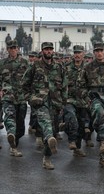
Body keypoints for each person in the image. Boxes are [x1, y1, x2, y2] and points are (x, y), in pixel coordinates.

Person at [22, 42, 67, 170]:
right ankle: (50, 139)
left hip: (55, 103)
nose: (48, 51)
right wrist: (30, 98)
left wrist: (63, 102)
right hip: (40, 102)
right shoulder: (34, 66)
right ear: (42, 51)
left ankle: (47, 158)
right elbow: (24, 84)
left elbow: (64, 86)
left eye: (50, 49)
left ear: (53, 51)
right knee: (46, 124)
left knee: (51, 130)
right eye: (46, 49)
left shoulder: (59, 67)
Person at [0, 40, 29, 157]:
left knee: (20, 124)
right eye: (10, 48)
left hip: (21, 97)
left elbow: (30, 79)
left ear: (18, 49)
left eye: (15, 48)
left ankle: (15, 139)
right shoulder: (2, 63)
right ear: (7, 49)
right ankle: (12, 142)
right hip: (8, 95)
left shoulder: (25, 63)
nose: (13, 50)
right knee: (9, 117)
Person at [63, 45, 89, 158]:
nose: (77, 55)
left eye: (79, 53)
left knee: (81, 125)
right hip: (69, 99)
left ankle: (77, 147)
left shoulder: (88, 68)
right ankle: (72, 140)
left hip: (83, 101)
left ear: (83, 54)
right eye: (75, 53)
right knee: (71, 117)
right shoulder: (66, 67)